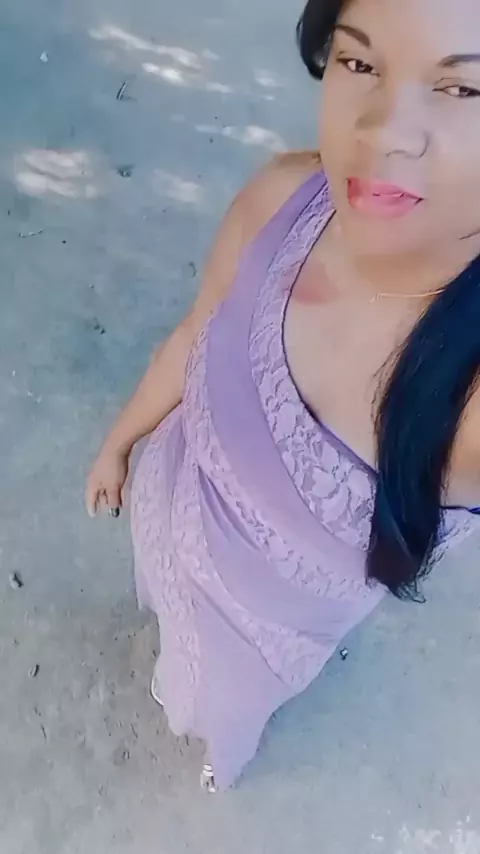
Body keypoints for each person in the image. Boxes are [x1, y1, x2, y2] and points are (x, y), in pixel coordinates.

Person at [86, 0, 480, 792]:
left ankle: (218, 747)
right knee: (165, 606)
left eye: (464, 89)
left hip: (258, 635)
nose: (383, 130)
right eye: (359, 62)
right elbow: (195, 335)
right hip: (171, 502)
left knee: (207, 702)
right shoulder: (282, 198)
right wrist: (119, 442)